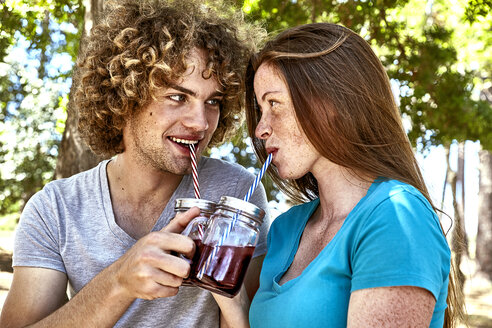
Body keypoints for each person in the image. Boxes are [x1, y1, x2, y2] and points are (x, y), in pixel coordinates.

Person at [0, 0, 269, 327]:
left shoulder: (236, 195)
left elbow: (248, 318)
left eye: (212, 101)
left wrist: (227, 287)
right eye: (178, 97)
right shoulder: (54, 209)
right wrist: (119, 281)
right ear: (126, 96)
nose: (200, 123)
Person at [243, 23, 464, 327]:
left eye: (274, 104)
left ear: (329, 103)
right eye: (260, 108)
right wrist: (219, 286)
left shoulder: (395, 216)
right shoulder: (284, 229)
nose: (260, 129)